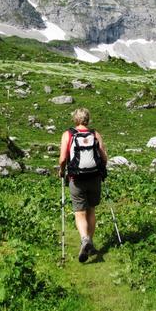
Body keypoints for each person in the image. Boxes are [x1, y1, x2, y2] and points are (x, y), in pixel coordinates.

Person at [59, 108, 108, 262]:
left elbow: (62, 158)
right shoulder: (95, 134)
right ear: (88, 119)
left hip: (76, 178)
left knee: (79, 212)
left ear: (75, 119)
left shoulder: (68, 134)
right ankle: (90, 243)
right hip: (94, 177)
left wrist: (61, 171)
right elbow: (104, 156)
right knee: (91, 210)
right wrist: (102, 170)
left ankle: (84, 239)